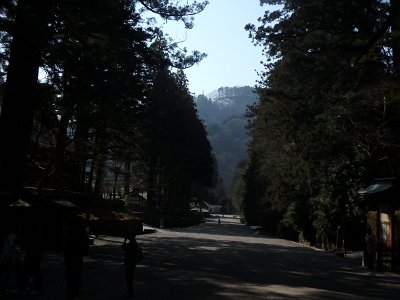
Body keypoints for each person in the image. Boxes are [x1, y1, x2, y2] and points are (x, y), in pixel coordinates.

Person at [64, 217, 89, 300]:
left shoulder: (70, 233)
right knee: (77, 274)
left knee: (71, 275)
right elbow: (86, 246)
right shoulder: (82, 233)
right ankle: (76, 291)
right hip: (78, 256)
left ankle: (72, 292)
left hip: (71, 256)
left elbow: (66, 245)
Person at [19, 226, 45, 295]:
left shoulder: (34, 236)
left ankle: (25, 287)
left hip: (33, 255)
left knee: (31, 272)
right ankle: (25, 287)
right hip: (35, 255)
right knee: (34, 272)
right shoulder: (39, 236)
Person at [122, 232, 142, 297]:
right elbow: (124, 248)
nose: (127, 236)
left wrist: (125, 241)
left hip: (130, 262)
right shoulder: (133, 242)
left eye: (128, 235)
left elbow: (125, 249)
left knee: (128, 277)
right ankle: (130, 290)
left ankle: (130, 291)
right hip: (131, 262)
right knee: (128, 277)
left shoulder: (132, 243)